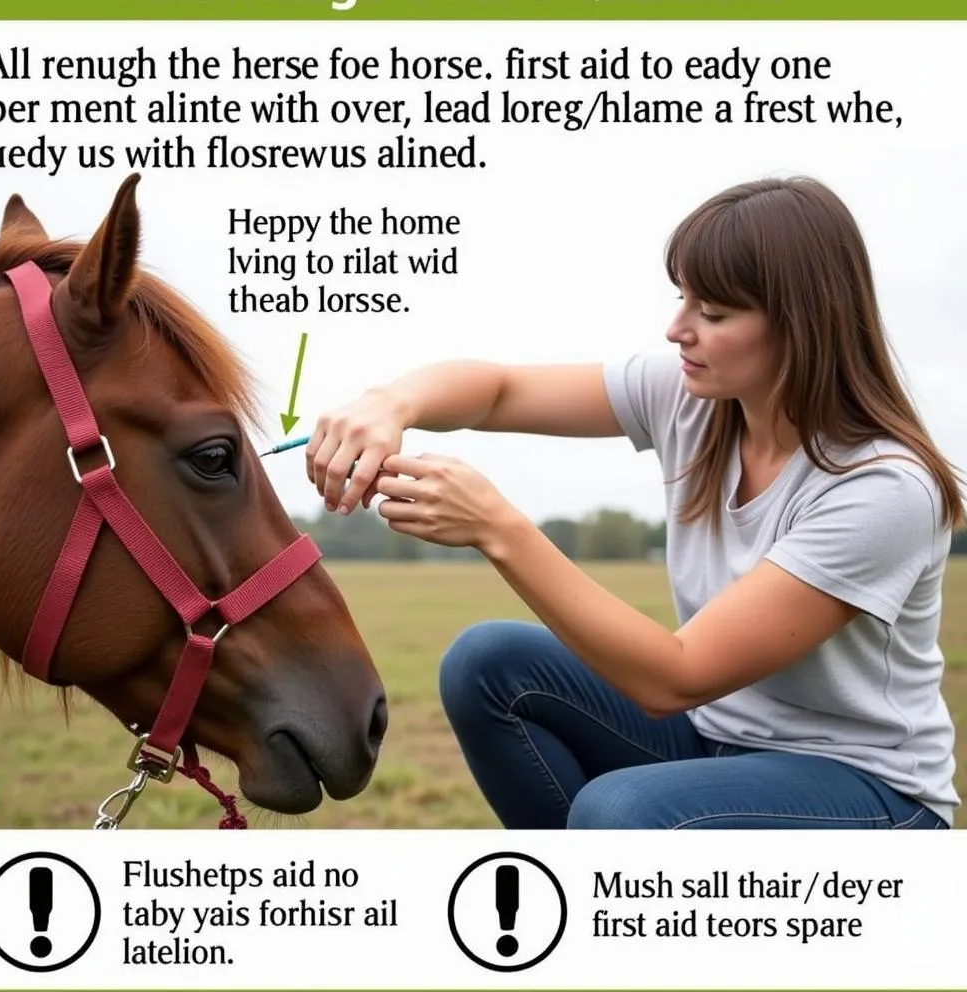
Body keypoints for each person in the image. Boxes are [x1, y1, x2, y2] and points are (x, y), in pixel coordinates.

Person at [305, 177, 963, 830]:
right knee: (488, 665)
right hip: (716, 735)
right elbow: (498, 391)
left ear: (802, 322)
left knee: (620, 811)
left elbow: (676, 679)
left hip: (868, 788)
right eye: (683, 299)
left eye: (713, 313)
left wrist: (498, 528)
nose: (677, 330)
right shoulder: (691, 400)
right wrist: (390, 402)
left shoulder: (882, 489)